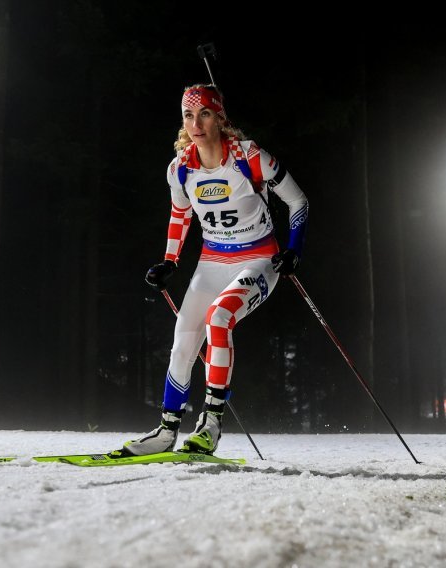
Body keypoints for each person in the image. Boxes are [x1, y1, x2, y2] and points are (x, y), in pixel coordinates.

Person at [118, 84, 309, 456]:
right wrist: (170, 261)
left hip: (258, 259)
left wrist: (294, 250)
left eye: (204, 113)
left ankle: (210, 424)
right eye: (188, 115)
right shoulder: (181, 168)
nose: (196, 123)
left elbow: (298, 200)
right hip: (213, 261)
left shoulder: (250, 157)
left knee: (219, 319)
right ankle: (166, 431)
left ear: (220, 118)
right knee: (184, 338)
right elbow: (180, 213)